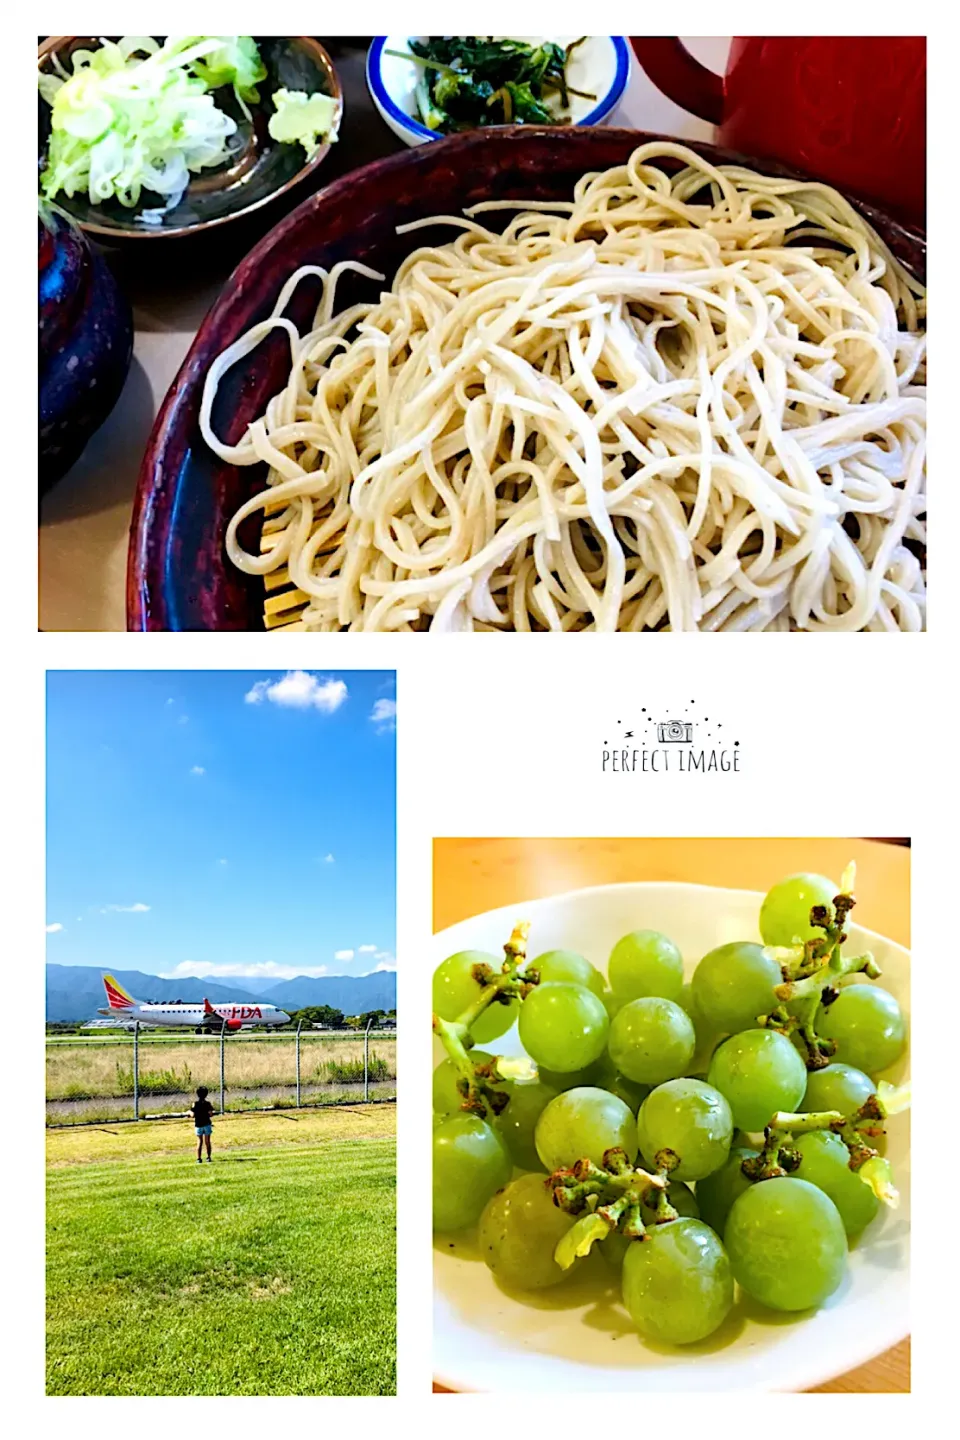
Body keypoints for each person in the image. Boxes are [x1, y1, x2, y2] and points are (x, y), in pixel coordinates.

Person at [190, 1085, 214, 1163]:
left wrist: (189, 1112)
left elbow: (192, 1115)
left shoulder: (195, 1104)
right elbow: (210, 1114)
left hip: (198, 1124)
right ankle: (208, 1157)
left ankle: (199, 1158)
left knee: (199, 1141)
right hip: (207, 1123)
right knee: (207, 1141)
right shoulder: (208, 1104)